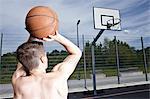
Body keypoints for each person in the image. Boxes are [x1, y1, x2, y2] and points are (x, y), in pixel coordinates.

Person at [12, 31, 82, 99]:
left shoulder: (18, 81)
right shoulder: (59, 76)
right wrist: (57, 37)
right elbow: (76, 53)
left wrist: (33, 33)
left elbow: (24, 56)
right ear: (43, 59)